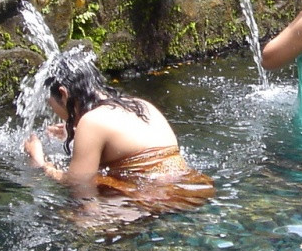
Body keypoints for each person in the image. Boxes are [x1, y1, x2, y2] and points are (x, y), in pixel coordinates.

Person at [22, 47, 214, 215]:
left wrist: (40, 162)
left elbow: (76, 183)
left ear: (63, 94)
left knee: (72, 217)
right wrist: (73, 133)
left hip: (158, 199)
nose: (53, 110)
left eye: (51, 103)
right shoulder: (139, 104)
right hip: (195, 188)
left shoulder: (92, 122)